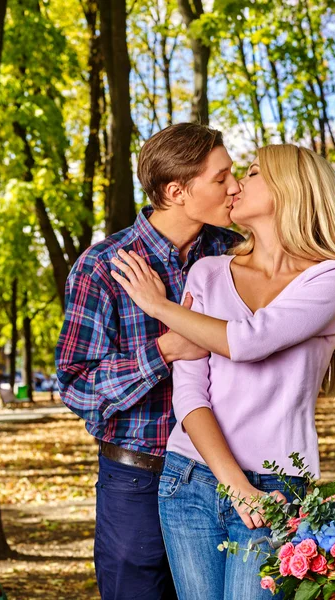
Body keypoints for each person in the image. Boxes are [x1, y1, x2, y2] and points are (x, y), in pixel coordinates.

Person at [111, 144, 335, 599]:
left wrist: (158, 306)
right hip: (190, 478)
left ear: (290, 188)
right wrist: (233, 483)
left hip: (276, 487)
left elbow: (249, 341)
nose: (235, 186)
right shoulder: (208, 272)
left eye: (251, 173)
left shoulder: (333, 278)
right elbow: (190, 393)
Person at [55, 123, 243, 600]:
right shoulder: (103, 267)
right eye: (220, 178)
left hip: (221, 475)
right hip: (137, 480)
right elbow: (77, 386)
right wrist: (163, 352)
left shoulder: (235, 256)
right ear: (176, 191)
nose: (234, 187)